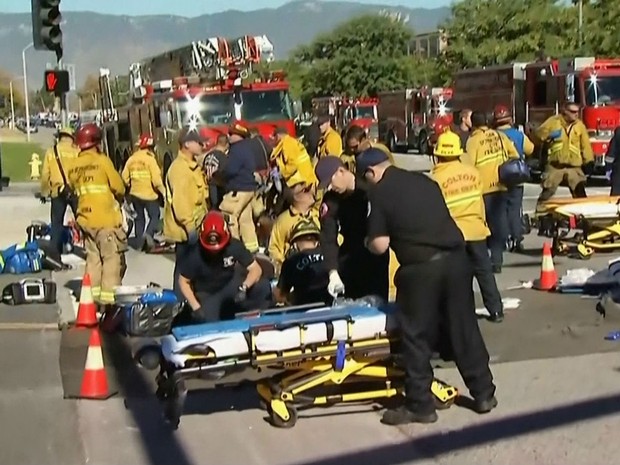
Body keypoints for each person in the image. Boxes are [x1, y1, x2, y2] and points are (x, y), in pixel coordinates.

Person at [358, 148, 497, 426]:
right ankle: (483, 394)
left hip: (421, 270)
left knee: (416, 336)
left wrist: (366, 243)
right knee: (464, 327)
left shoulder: (379, 193)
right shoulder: (425, 181)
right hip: (457, 261)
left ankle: (420, 405)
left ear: (371, 172)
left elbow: (381, 244)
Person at [429, 130, 504, 322]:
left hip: (452, 233)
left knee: (458, 277)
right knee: (484, 271)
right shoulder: (472, 173)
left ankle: (463, 314)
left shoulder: (435, 179)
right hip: (476, 230)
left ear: (437, 154)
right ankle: (496, 310)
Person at [67, 123, 127, 307]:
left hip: (85, 220)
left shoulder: (74, 166)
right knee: (111, 260)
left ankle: (90, 299)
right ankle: (109, 303)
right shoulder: (102, 161)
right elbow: (119, 186)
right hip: (105, 221)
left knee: (93, 260)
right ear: (96, 143)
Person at [314, 155, 389, 301]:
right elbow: (328, 237)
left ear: (341, 171)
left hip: (375, 256)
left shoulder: (369, 188)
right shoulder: (331, 200)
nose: (330, 187)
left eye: (331, 182)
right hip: (349, 258)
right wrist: (332, 272)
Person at [177, 211, 272, 322]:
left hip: (231, 284)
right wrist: (195, 306)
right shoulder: (194, 254)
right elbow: (183, 281)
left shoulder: (234, 246)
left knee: (263, 287)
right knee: (207, 322)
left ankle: (258, 321)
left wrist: (244, 287)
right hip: (208, 293)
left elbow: (255, 269)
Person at [464, 111, 519, 273]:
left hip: (483, 189)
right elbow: (514, 155)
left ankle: (483, 260)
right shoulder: (499, 136)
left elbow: (469, 166)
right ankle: (497, 260)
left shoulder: (473, 141)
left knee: (483, 225)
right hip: (501, 186)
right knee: (499, 224)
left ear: (472, 124)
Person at [164, 127, 208, 299]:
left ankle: (188, 298)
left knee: (192, 268)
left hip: (197, 227)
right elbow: (180, 202)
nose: (202, 145)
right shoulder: (179, 169)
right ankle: (181, 301)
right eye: (198, 142)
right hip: (187, 231)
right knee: (184, 270)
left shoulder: (192, 167)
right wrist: (190, 227)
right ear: (187, 144)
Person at [535, 101, 594, 209]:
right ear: (564, 112)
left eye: (577, 112)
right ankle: (540, 214)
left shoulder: (580, 126)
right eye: (572, 112)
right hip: (555, 166)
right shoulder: (553, 122)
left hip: (574, 166)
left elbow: (585, 145)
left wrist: (589, 161)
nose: (576, 114)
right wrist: (548, 135)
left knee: (579, 193)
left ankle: (583, 216)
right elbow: (538, 135)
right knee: (548, 192)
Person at [493, 105, 535, 253]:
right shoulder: (518, 134)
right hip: (516, 176)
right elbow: (530, 149)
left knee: (501, 210)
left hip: (498, 176)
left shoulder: (492, 135)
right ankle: (517, 238)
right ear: (510, 119)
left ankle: (502, 239)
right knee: (515, 208)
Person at [219, 121, 260, 253]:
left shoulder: (236, 150)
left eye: (232, 134)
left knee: (229, 217)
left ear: (240, 136)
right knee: (245, 220)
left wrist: (219, 174)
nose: (229, 136)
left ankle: (234, 249)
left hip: (237, 190)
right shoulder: (248, 147)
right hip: (248, 190)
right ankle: (252, 248)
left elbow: (231, 170)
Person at [40, 127, 79, 262]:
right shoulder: (77, 152)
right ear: (71, 137)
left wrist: (45, 192)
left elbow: (45, 174)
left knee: (56, 223)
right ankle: (92, 250)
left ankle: (54, 255)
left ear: (60, 137)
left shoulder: (51, 152)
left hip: (57, 191)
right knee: (82, 221)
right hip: (74, 191)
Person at [268, 171, 320, 274]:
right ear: (296, 197)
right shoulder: (283, 220)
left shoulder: (320, 215)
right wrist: (285, 268)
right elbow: (274, 248)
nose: (312, 192)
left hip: (320, 268)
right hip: (296, 270)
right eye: (306, 190)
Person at [121, 133, 165, 250]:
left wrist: (130, 186)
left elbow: (124, 178)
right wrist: (164, 193)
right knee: (155, 215)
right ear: (151, 147)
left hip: (135, 194)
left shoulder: (132, 159)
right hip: (149, 195)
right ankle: (148, 234)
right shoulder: (151, 160)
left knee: (139, 218)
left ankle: (139, 243)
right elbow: (156, 180)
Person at [274, 219, 330, 306]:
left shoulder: (291, 262)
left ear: (295, 244)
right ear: (317, 242)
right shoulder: (332, 255)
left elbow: (280, 295)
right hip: (333, 307)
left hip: (303, 311)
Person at [202, 133, 229, 210]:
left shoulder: (208, 156)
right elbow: (224, 175)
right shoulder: (224, 158)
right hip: (218, 191)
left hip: (207, 189)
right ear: (226, 145)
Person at [608, 127, 620, 195]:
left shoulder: (618, 132)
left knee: (615, 198)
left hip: (618, 172)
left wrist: (608, 168)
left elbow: (611, 153)